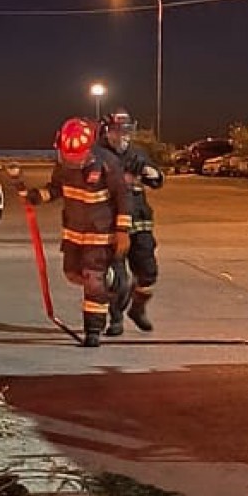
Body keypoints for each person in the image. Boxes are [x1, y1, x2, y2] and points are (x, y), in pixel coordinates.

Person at [6, 117, 133, 347]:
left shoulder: (108, 164)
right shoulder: (63, 165)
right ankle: (113, 280)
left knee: (93, 280)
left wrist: (122, 230)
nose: (73, 161)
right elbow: (56, 189)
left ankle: (93, 330)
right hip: (74, 234)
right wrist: (38, 196)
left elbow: (123, 198)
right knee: (73, 274)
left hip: (100, 234)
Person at [100, 110, 163, 333]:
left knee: (148, 273)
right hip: (112, 226)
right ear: (107, 132)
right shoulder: (99, 156)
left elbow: (157, 179)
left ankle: (137, 309)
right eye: (117, 131)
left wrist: (148, 171)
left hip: (140, 223)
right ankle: (115, 318)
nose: (122, 136)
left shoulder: (138, 153)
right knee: (117, 279)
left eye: (126, 131)